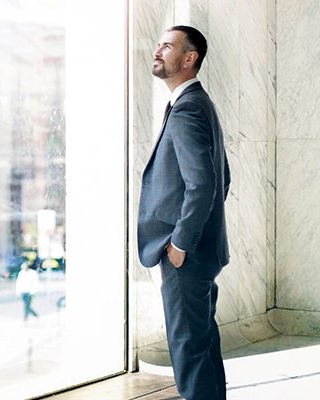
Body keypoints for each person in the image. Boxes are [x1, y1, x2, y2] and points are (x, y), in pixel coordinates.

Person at [138, 25, 231, 400]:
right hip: (202, 253)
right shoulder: (195, 103)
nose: (158, 50)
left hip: (185, 258)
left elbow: (205, 184)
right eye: (158, 44)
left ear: (189, 58)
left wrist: (181, 242)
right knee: (203, 348)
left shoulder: (188, 107)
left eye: (168, 46)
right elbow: (221, 178)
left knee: (190, 354)